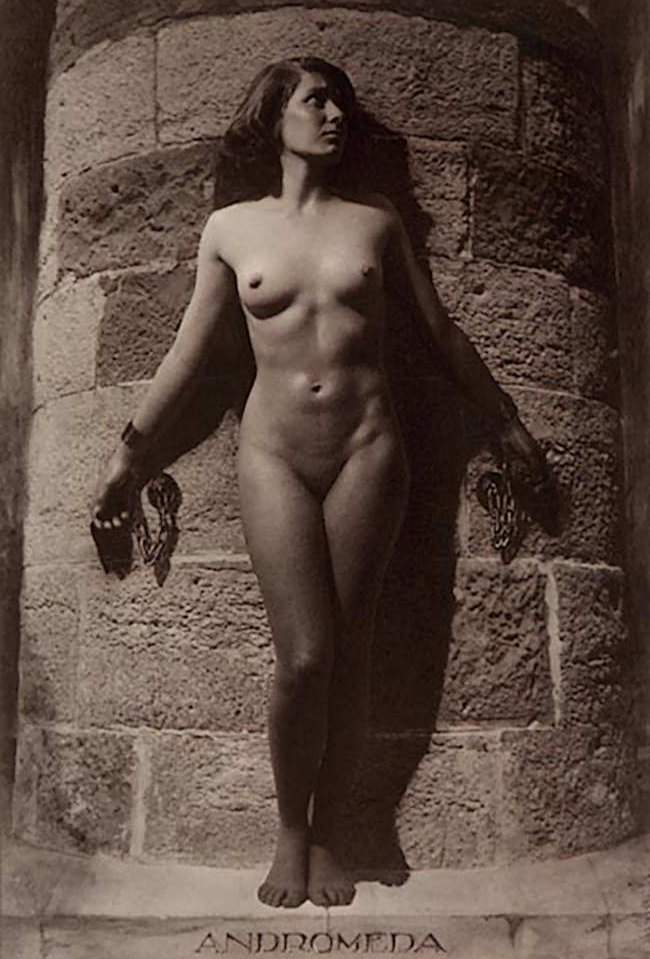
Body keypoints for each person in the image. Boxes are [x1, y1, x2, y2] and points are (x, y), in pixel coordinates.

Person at [91, 57, 551, 909]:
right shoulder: (231, 229)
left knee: (351, 646)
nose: (335, 114)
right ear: (275, 119)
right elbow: (189, 353)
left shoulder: (374, 221)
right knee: (305, 657)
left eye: (341, 101)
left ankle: (332, 832)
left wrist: (506, 421)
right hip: (274, 455)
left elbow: (440, 332)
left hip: (368, 450)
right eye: (316, 100)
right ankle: (289, 832)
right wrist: (129, 454)